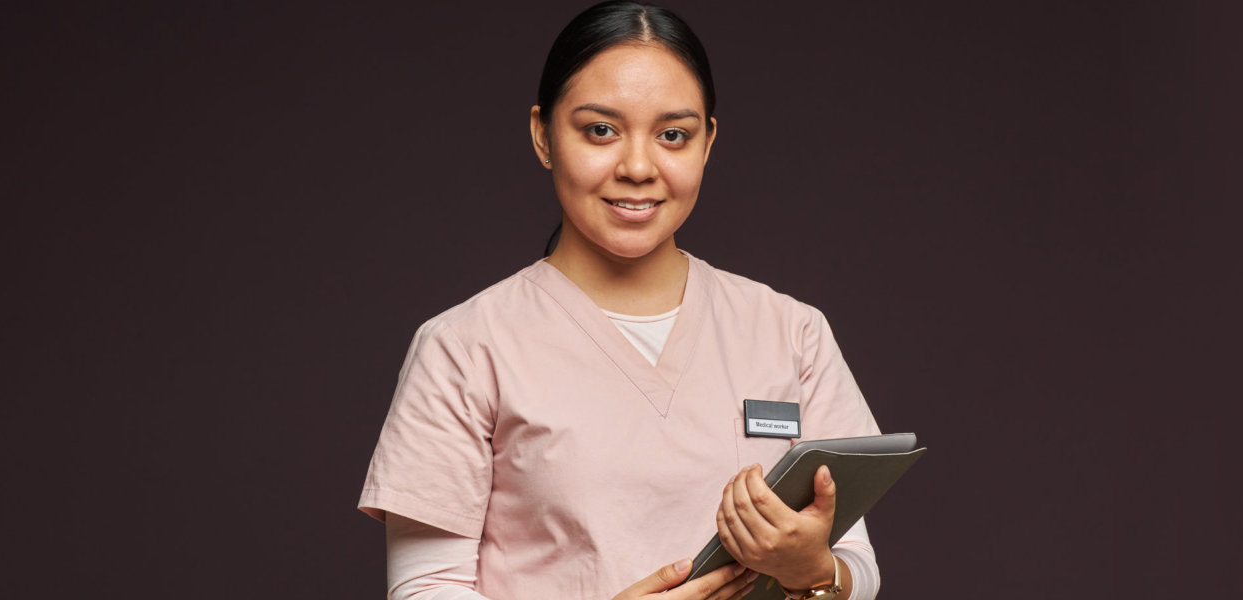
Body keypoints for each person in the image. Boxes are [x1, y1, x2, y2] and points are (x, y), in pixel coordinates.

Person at [359, 2, 884, 598]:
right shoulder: (463, 348)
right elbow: (425, 587)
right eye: (600, 130)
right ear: (543, 135)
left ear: (707, 143)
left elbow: (855, 568)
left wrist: (812, 572)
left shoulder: (792, 333)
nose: (638, 167)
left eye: (672, 136)